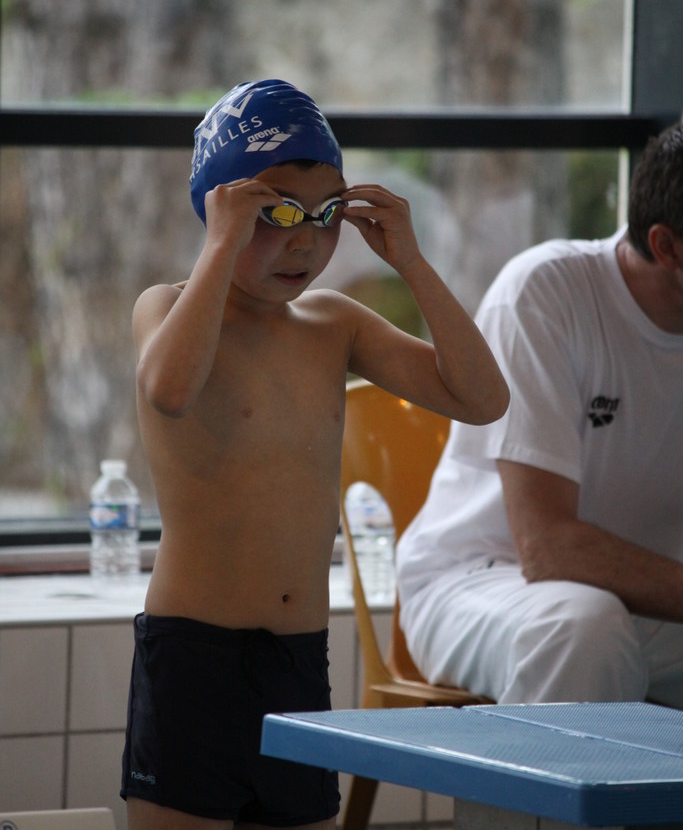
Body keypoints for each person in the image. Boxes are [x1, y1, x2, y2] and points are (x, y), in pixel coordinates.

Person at [121, 78, 509, 829]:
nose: (305, 241)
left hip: (298, 660)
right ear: (220, 210)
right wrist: (222, 243)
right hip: (194, 659)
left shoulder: (333, 324)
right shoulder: (166, 308)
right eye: (275, 215)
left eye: (327, 215)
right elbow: (168, 389)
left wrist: (412, 264)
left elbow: (482, 397)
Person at [397, 121, 683, 708]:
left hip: (649, 601)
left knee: (598, 620)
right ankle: (530, 778)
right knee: (584, 628)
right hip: (484, 579)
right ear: (667, 247)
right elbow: (548, 548)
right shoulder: (545, 292)